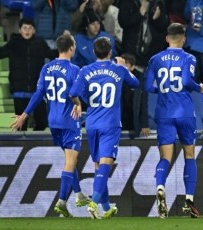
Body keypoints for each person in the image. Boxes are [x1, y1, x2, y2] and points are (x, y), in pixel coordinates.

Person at [10, 34, 91, 217]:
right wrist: (79, 104)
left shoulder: (46, 68)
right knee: (71, 161)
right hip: (69, 120)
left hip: (53, 121)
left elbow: (39, 93)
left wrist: (24, 115)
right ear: (71, 48)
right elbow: (75, 93)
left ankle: (78, 194)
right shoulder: (74, 69)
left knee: (70, 160)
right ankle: (62, 202)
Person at [69, 37, 140, 219]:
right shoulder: (117, 69)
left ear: (94, 52)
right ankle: (94, 202)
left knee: (99, 166)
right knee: (106, 165)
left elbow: (73, 94)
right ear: (111, 52)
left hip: (92, 124)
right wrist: (124, 67)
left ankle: (107, 207)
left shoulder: (85, 70)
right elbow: (136, 83)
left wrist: (80, 103)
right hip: (110, 124)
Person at [145, 23, 203, 219]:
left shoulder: (155, 59)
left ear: (166, 38)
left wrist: (164, 90)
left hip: (164, 113)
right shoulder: (189, 57)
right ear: (184, 38)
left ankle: (161, 187)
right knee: (189, 155)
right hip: (185, 112)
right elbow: (188, 81)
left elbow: (148, 86)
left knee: (165, 157)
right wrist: (200, 88)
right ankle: (189, 201)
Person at [0, 17, 57, 131]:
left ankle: (35, 145)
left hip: (37, 91)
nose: (27, 30)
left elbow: (53, 54)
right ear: (20, 30)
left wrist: (66, 46)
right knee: (21, 125)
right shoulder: (13, 43)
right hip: (19, 91)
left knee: (42, 122)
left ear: (34, 30)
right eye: (24, 28)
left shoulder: (40, 43)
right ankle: (23, 147)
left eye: (30, 28)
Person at [120, 53, 150, 138]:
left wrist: (145, 124)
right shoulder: (114, 81)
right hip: (117, 124)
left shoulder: (140, 82)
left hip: (133, 123)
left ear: (132, 67)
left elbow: (143, 104)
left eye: (125, 66)